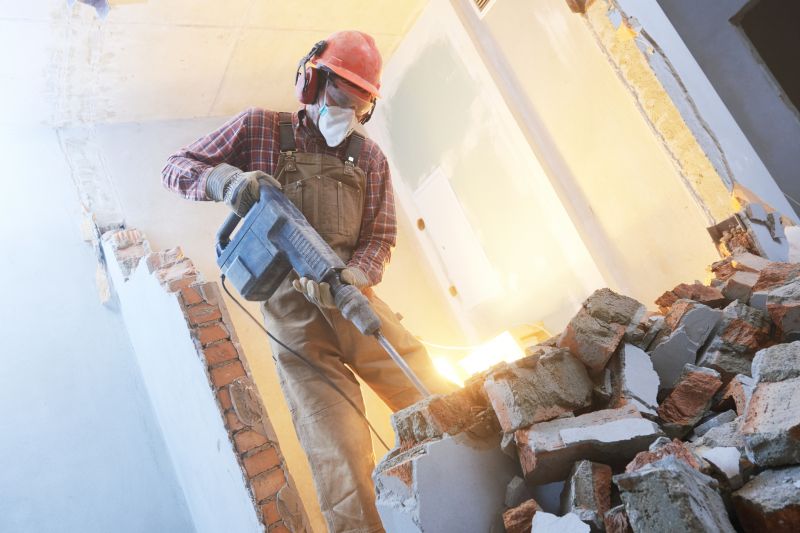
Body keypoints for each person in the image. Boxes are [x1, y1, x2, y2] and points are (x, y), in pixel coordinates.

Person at [161, 30, 454, 532]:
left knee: (433, 396)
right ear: (312, 80)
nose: (347, 111)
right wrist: (225, 181)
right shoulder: (260, 128)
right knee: (340, 455)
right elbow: (175, 167)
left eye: (360, 104)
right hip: (296, 328)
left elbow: (380, 238)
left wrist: (355, 276)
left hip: (354, 301)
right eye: (341, 94)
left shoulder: (370, 158)